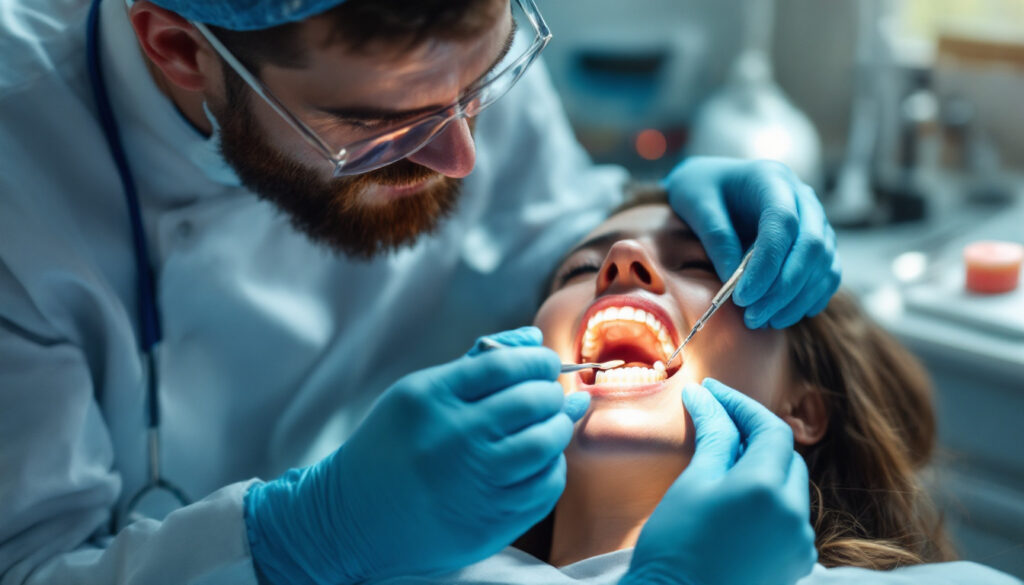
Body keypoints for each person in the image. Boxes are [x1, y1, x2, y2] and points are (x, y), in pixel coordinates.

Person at [1, 1, 840, 584]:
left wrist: (649, 207)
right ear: (181, 52)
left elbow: (542, 234)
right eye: (381, 128)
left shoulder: (434, 55)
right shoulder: (19, 175)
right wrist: (303, 537)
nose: (463, 156)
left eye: (482, 87)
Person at [362, 191, 1022, 585]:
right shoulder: (387, 562)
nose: (623, 260)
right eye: (581, 267)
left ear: (803, 408)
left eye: (700, 263)